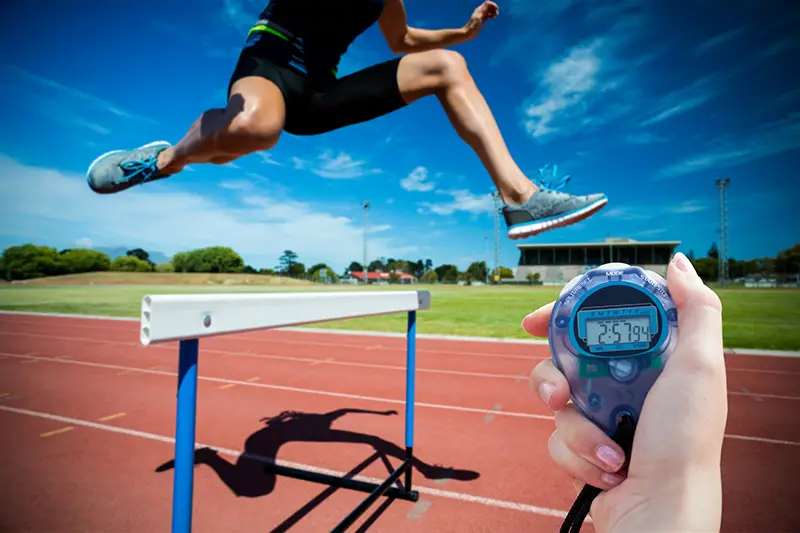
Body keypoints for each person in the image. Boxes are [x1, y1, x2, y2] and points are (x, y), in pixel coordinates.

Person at [85, 0, 608, 240]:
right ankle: (161, 159)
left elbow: (402, 41)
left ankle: (520, 198)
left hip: (318, 95)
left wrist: (463, 33)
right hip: (269, 62)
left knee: (447, 67)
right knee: (254, 129)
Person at [524, 252, 727, 532]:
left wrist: (670, 490)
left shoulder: (576, 316)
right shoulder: (653, 313)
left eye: (630, 330)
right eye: (606, 332)